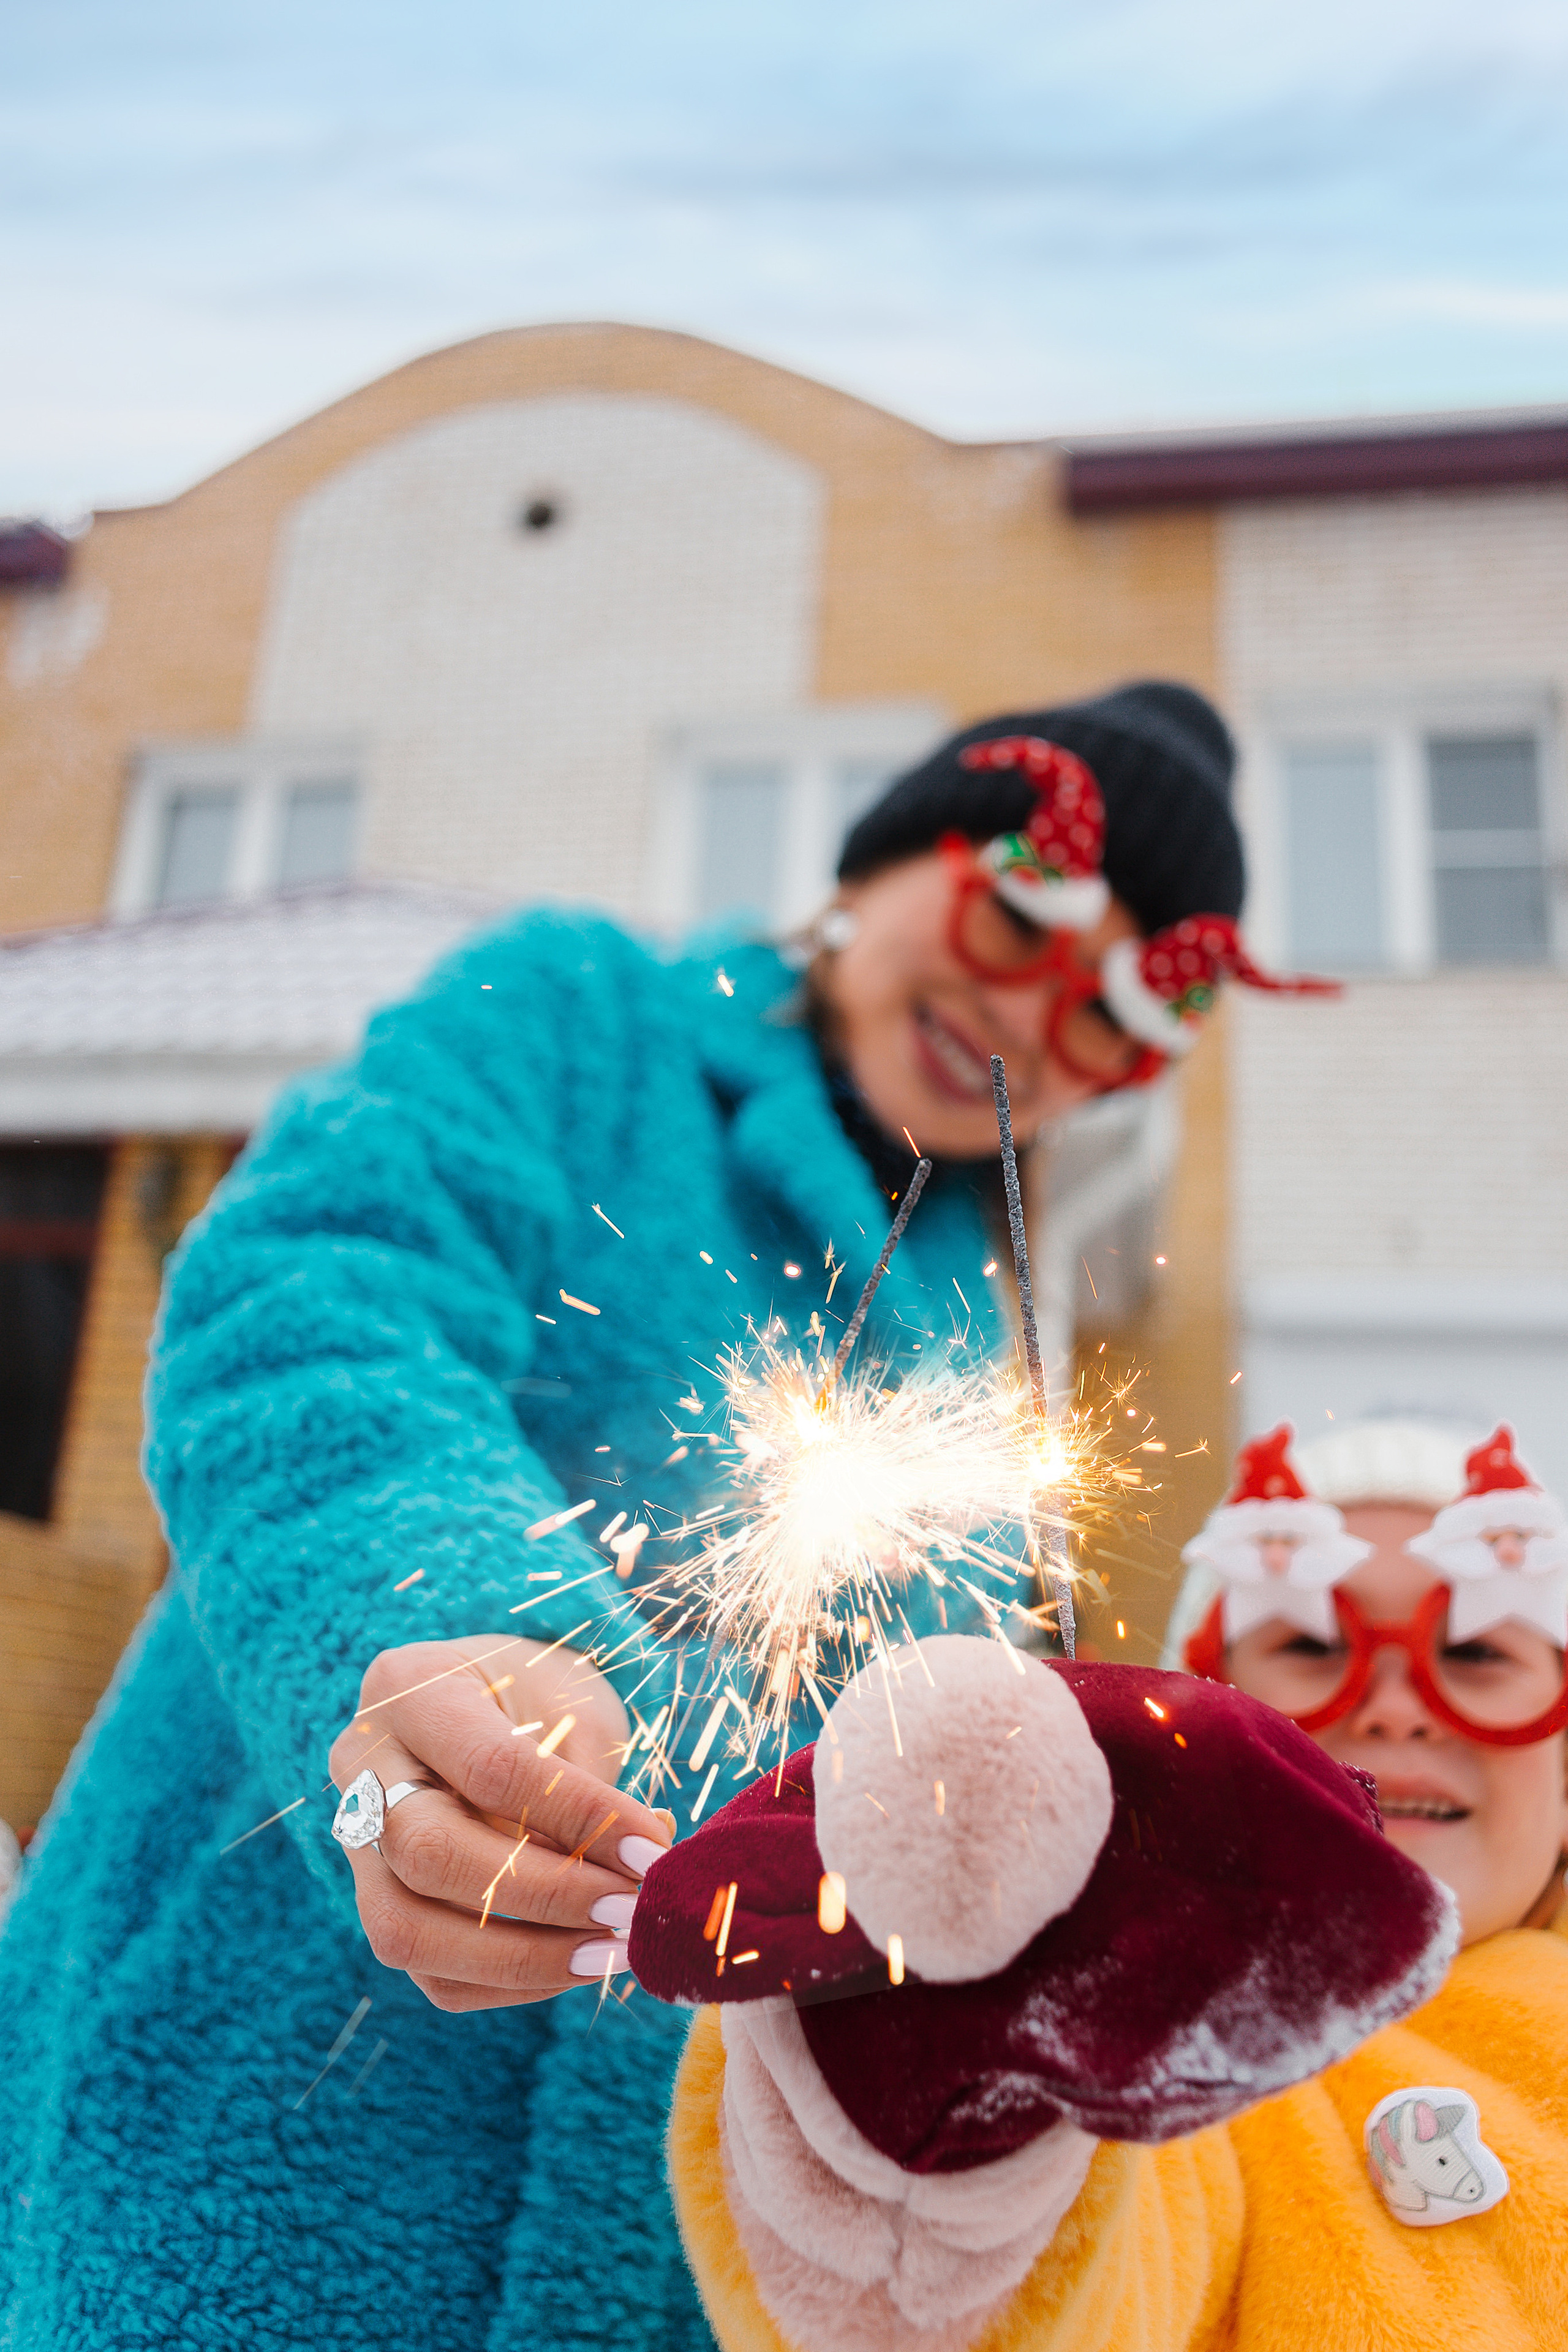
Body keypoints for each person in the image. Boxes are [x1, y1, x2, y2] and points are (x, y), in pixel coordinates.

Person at [0, 682, 1314, 2351]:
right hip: (249, 2128)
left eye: (1119, 1013)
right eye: (1018, 915)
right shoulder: (580, 1018)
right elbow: (319, 1300)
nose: (1035, 1018)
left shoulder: (994, 1358)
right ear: (890, 858)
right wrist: (453, 1632)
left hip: (670, 2265)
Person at [655, 1416, 1568, 2351]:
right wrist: (951, 2019)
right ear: (1207, 1732)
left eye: (1476, 1655)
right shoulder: (1156, 2058)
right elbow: (1069, 2285)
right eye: (1310, 1649)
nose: (1394, 1712)